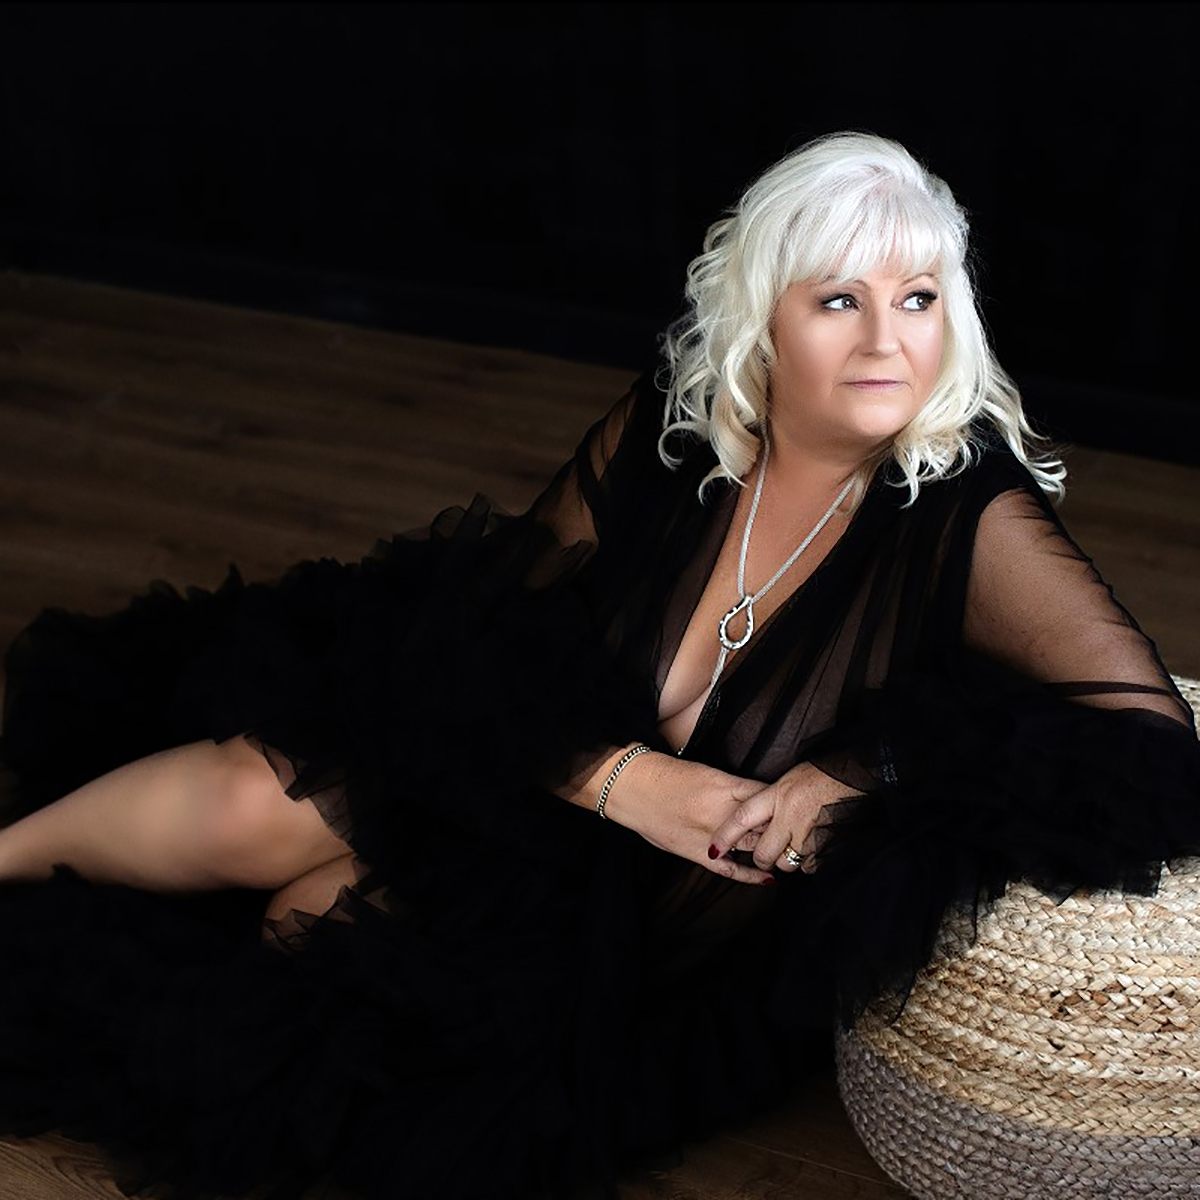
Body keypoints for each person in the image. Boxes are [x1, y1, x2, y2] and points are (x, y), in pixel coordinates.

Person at [1, 130, 1198, 1200]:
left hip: (623, 931)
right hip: (532, 785)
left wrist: (863, 768)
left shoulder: (970, 516)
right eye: (840, 299)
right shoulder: (679, 427)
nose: (889, 341)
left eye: (920, 299)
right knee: (254, 793)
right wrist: (617, 777)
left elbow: (1153, 740)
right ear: (765, 320)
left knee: (306, 956)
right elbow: (491, 625)